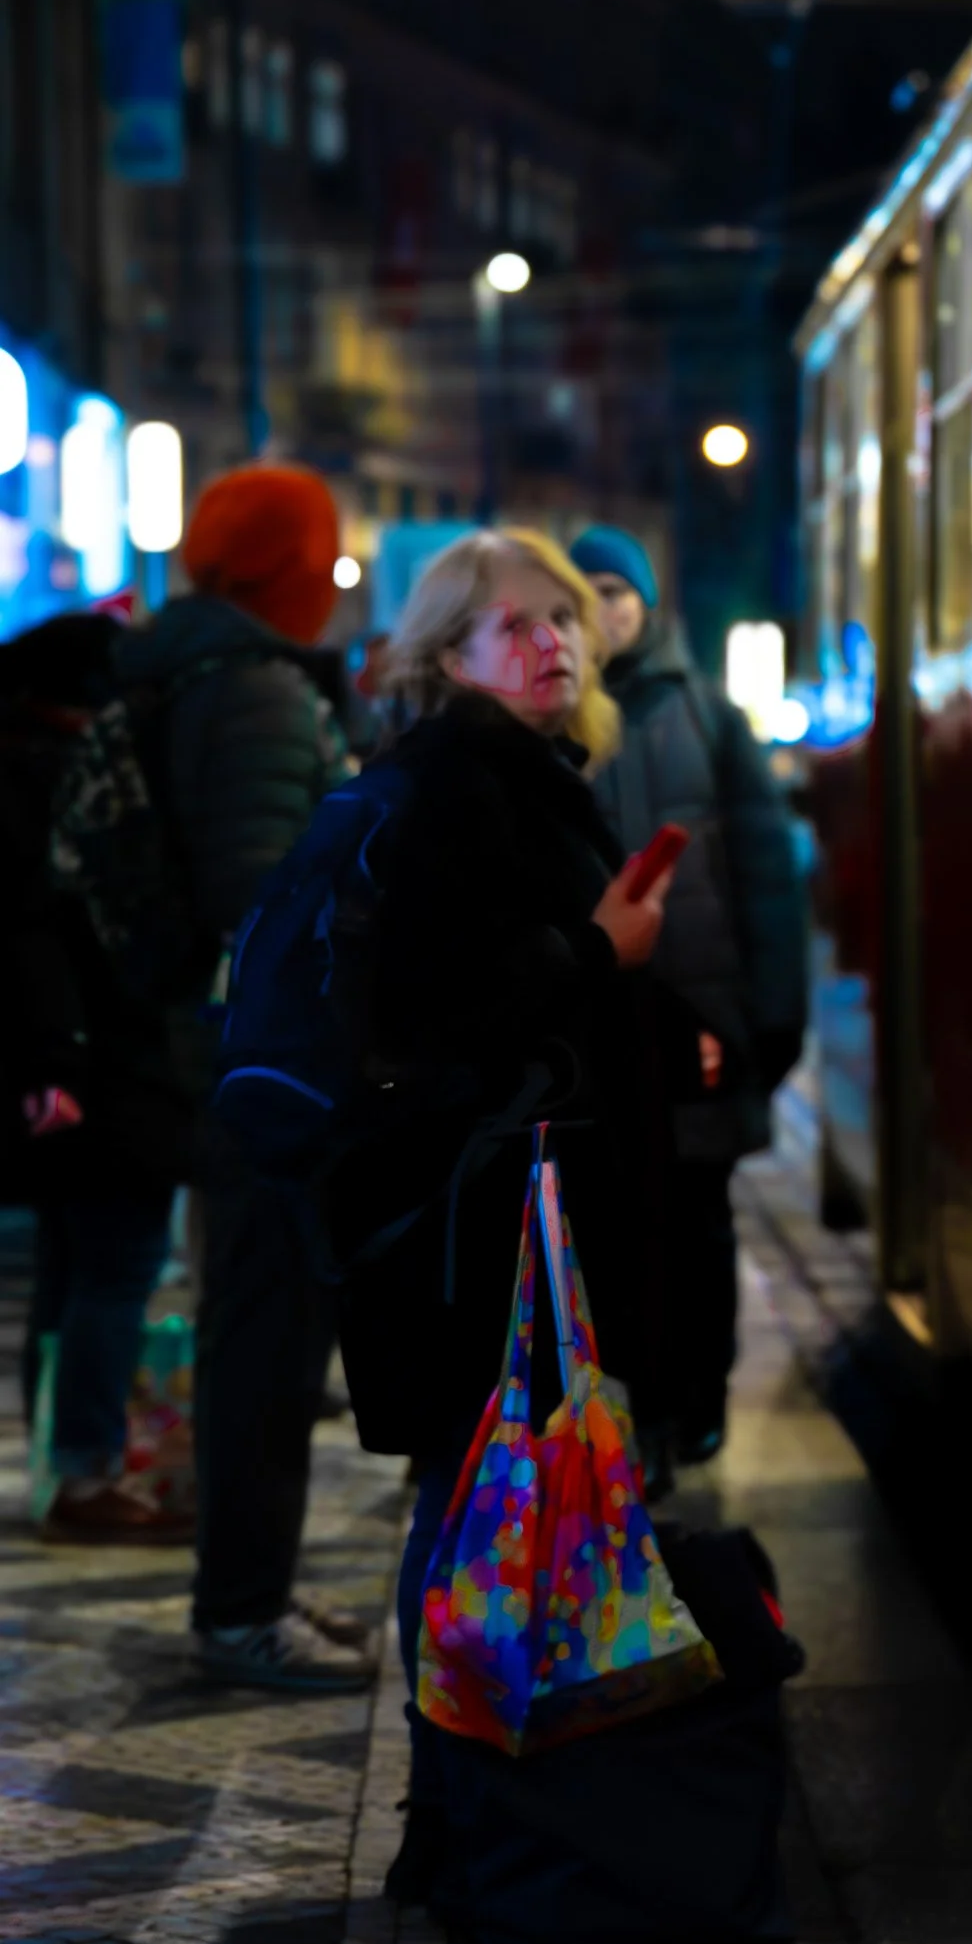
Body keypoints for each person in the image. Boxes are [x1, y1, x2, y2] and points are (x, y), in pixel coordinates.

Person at [322, 529, 680, 1857]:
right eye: (514, 625)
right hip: (479, 1221)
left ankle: (496, 1806)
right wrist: (598, 944)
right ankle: (469, 1815)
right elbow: (436, 1007)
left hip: (515, 1210)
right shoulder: (450, 786)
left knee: (492, 1499)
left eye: (564, 618)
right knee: (476, 1505)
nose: (552, 643)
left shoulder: (525, 774)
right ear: (449, 656)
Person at [123, 463, 367, 1683]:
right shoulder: (260, 692)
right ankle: (241, 1609)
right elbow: (266, 897)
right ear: (287, 568)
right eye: (322, 557)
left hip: (209, 1054)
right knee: (268, 1339)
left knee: (255, 1334)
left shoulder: (182, 662)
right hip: (262, 1068)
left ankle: (252, 1588)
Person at [571, 526, 807, 1469]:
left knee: (698, 1218)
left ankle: (697, 1400)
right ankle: (634, 1411)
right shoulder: (554, 720)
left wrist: (769, 1014)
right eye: (585, 594)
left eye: (616, 591)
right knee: (616, 1225)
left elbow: (766, 876)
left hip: (694, 1013)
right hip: (599, 1018)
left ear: (646, 602)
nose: (605, 611)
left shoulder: (708, 714)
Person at [0, 609, 192, 1541]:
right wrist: (56, 1055)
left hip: (78, 1060)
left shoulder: (29, 760)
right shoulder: (58, 775)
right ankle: (83, 1473)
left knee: (80, 1266)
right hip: (101, 1060)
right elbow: (42, 930)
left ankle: (62, 1461)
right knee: (115, 1263)